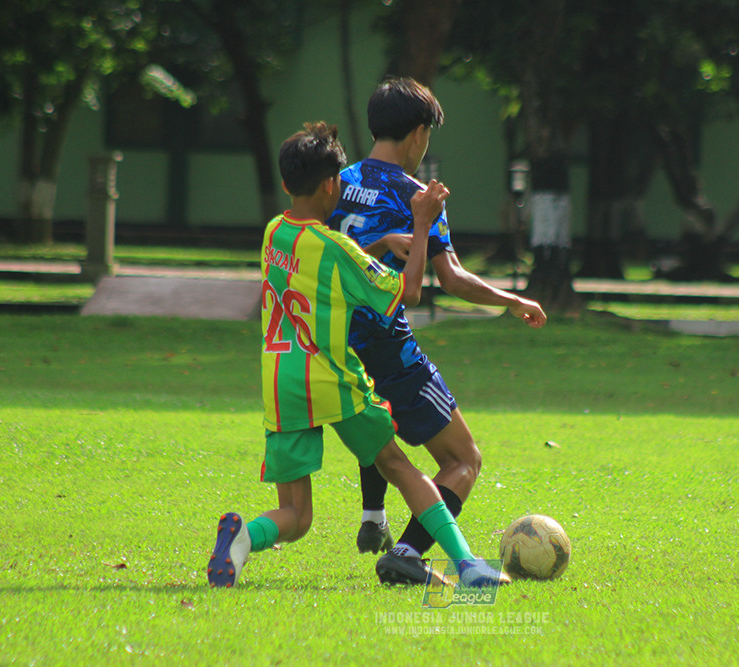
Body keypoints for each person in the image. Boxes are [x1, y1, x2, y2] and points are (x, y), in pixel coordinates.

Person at [207, 121, 507, 589]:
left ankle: (244, 537)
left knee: (297, 515)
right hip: (330, 379)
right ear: (332, 185)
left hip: (281, 382)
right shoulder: (339, 250)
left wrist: (381, 244)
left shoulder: (273, 234)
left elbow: (325, 261)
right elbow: (407, 292)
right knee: (397, 463)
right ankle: (467, 564)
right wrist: (421, 222)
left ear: (287, 184)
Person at [327, 78, 547, 585]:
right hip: (389, 348)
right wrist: (512, 300)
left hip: (334, 347)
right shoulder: (416, 195)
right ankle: (407, 553)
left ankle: (373, 517)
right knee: (463, 458)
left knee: (382, 437)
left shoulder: (335, 182)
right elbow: (450, 279)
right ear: (420, 133)